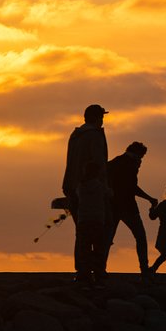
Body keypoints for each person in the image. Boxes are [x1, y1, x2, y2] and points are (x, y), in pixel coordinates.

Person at [62, 104, 110, 282]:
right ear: (98, 118)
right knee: (101, 231)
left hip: (72, 186)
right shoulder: (94, 136)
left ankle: (82, 272)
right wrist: (105, 188)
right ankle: (98, 271)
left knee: (81, 232)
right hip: (94, 190)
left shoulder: (75, 135)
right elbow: (99, 162)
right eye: (102, 117)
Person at [105, 141, 158, 277]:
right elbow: (132, 187)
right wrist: (149, 198)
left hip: (112, 206)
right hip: (127, 206)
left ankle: (100, 269)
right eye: (141, 157)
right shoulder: (130, 165)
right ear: (138, 154)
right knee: (140, 237)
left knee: (107, 239)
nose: (141, 161)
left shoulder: (114, 162)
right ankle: (144, 270)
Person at [75, 160, 111, 287]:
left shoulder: (80, 186)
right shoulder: (100, 186)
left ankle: (84, 274)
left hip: (83, 220)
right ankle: (98, 273)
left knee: (84, 248)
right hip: (97, 220)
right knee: (98, 248)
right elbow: (109, 195)